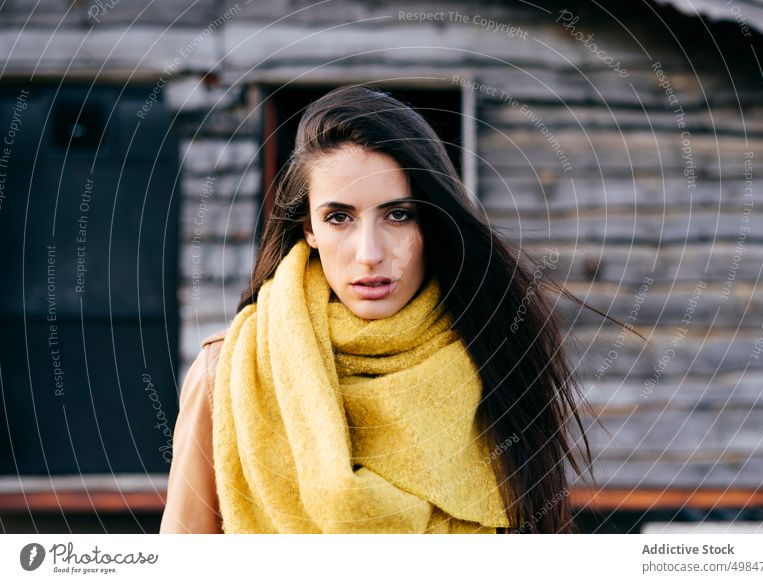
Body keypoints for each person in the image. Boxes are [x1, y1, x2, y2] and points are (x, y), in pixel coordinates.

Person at [160, 84, 594, 534]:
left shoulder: (492, 351)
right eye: (338, 218)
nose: (369, 253)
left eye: (398, 214)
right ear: (308, 228)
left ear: (431, 222)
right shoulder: (227, 372)